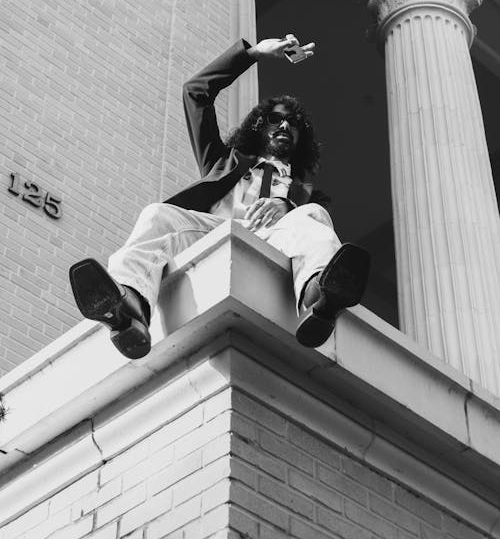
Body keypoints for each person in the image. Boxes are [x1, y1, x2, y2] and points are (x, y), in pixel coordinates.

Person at [69, 36, 370, 359]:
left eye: (294, 123)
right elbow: (195, 93)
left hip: (275, 242)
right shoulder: (222, 161)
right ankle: (127, 306)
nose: (284, 124)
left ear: (301, 138)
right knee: (158, 214)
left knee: (313, 216)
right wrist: (253, 53)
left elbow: (308, 227)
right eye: (275, 118)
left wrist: (287, 205)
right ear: (259, 125)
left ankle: (320, 297)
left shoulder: (302, 196)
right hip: (213, 232)